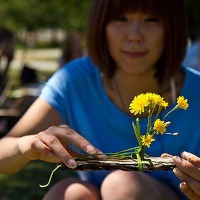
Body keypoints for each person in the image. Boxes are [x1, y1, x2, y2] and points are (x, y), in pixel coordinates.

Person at [0, 0, 199, 199]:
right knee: (69, 194)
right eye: (120, 19)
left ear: (173, 28)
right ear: (100, 25)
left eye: (151, 20)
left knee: (122, 186)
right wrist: (25, 146)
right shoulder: (74, 80)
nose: (134, 36)